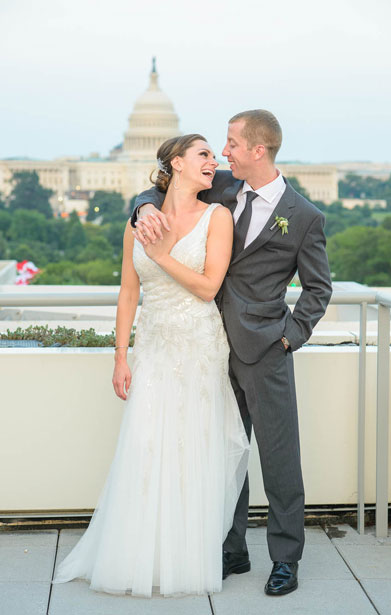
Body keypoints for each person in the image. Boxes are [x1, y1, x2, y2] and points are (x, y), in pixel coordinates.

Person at [131, 109, 332, 597]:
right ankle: (231, 547)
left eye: (233, 144)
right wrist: (140, 209)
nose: (224, 153)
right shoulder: (219, 186)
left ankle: (286, 559)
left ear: (258, 150)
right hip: (206, 345)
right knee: (224, 450)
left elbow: (317, 290)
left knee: (279, 459)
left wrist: (288, 337)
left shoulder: (304, 216)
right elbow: (156, 190)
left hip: (265, 351)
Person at [52, 134, 250, 597]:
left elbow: (207, 287)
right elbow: (128, 292)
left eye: (214, 155)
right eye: (204, 154)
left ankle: (188, 555)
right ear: (176, 163)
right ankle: (140, 553)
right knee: (147, 445)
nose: (214, 160)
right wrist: (121, 355)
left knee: (193, 447)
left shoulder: (218, 217)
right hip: (155, 345)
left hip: (199, 344)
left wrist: (161, 256)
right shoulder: (139, 219)